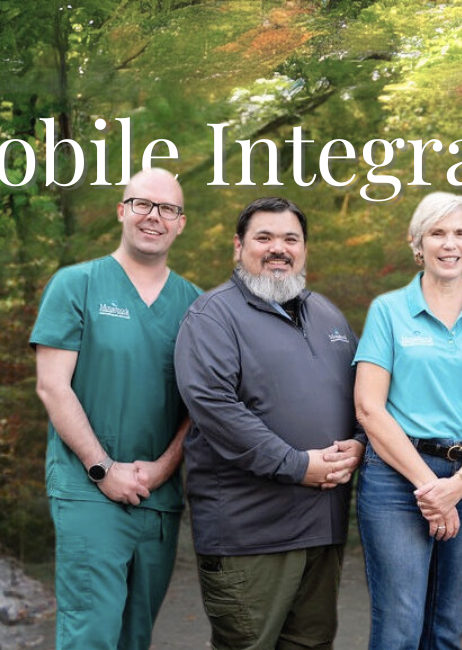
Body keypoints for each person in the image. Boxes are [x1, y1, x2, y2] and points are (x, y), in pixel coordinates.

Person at [174, 197, 364, 650]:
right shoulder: (212, 315)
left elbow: (366, 398)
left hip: (323, 529)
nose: (278, 248)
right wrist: (298, 465)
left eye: (290, 239)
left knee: (310, 645)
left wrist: (360, 444)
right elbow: (215, 406)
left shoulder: (329, 316)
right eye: (264, 237)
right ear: (238, 248)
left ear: (303, 250)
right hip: (249, 534)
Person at [31, 168, 201, 650]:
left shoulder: (196, 306)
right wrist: (103, 468)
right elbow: (52, 387)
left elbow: (201, 404)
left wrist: (165, 468)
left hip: (159, 498)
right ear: (122, 210)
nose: (155, 217)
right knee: (92, 635)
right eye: (143, 204)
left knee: (135, 636)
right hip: (90, 492)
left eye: (167, 208)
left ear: (181, 223)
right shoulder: (76, 285)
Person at [353, 192, 462, 650]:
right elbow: (369, 408)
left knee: (447, 627)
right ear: (417, 242)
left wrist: (458, 487)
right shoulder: (388, 311)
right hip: (397, 479)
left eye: (460, 233)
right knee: (400, 625)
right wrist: (432, 488)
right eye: (437, 233)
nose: (450, 244)